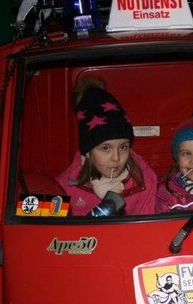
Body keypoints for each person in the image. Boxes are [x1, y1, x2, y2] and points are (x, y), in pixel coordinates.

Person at [55, 78, 157, 216]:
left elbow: (146, 226)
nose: (116, 158)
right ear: (88, 152)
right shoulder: (63, 188)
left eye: (123, 147)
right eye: (105, 148)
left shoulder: (143, 179)